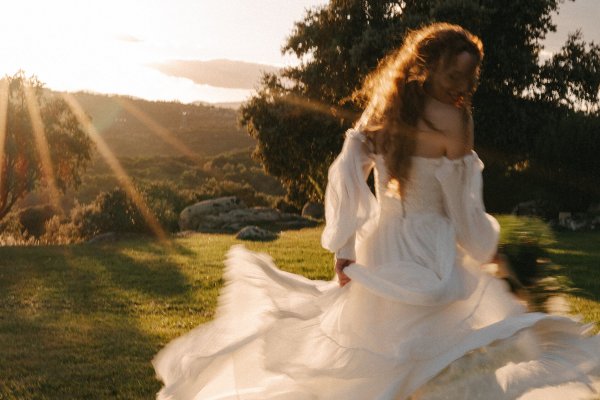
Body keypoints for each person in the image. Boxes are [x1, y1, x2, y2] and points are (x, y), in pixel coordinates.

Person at [153, 23, 600, 399]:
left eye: (471, 77)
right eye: (456, 74)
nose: (463, 87)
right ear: (429, 64)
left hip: (380, 246)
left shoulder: (385, 106)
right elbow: (464, 214)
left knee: (381, 361)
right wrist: (488, 250)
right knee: (427, 363)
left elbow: (348, 170)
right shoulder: (457, 121)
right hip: (430, 253)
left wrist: (346, 245)